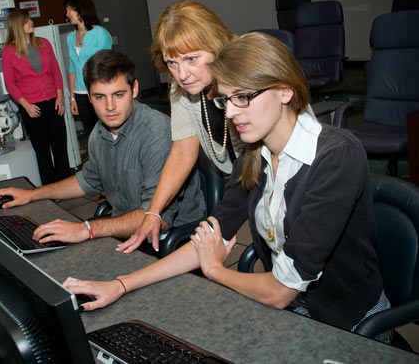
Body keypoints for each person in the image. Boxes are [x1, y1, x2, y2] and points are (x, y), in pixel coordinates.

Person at [63, 33, 391, 340]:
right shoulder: (254, 154)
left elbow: (280, 291)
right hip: (295, 311)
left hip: (349, 325)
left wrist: (216, 270)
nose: (231, 112)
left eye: (243, 97)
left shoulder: (336, 157)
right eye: (226, 99)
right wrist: (121, 285)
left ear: (285, 91)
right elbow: (209, 238)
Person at [0, 50, 205, 245]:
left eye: (118, 95)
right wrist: (33, 194)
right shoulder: (99, 133)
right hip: (125, 229)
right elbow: (87, 181)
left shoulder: (156, 134)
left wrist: (85, 229)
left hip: (170, 239)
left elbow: (156, 218)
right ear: (89, 97)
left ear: (135, 89)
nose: (110, 107)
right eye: (99, 97)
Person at [118, 0, 243, 254]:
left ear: (216, 46)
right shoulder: (182, 89)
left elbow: (264, 162)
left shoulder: (245, 77)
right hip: (246, 176)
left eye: (191, 59)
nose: (182, 74)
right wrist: (153, 212)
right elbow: (183, 152)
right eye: (172, 63)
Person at [2, 9, 69, 185]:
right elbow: (10, 83)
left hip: (53, 102)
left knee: (60, 147)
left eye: (30, 20)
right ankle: (51, 189)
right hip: (32, 106)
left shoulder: (44, 44)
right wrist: (26, 105)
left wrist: (60, 97)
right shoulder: (9, 51)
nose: (31, 22)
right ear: (18, 26)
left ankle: (67, 184)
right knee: (43, 151)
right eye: (26, 21)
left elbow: (56, 71)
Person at [64, 0, 113, 136]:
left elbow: (107, 66)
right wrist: (72, 97)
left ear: (80, 10)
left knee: (106, 131)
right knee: (91, 134)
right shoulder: (70, 38)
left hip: (99, 91)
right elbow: (72, 68)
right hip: (80, 94)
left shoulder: (100, 34)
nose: (67, 14)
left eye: (69, 10)